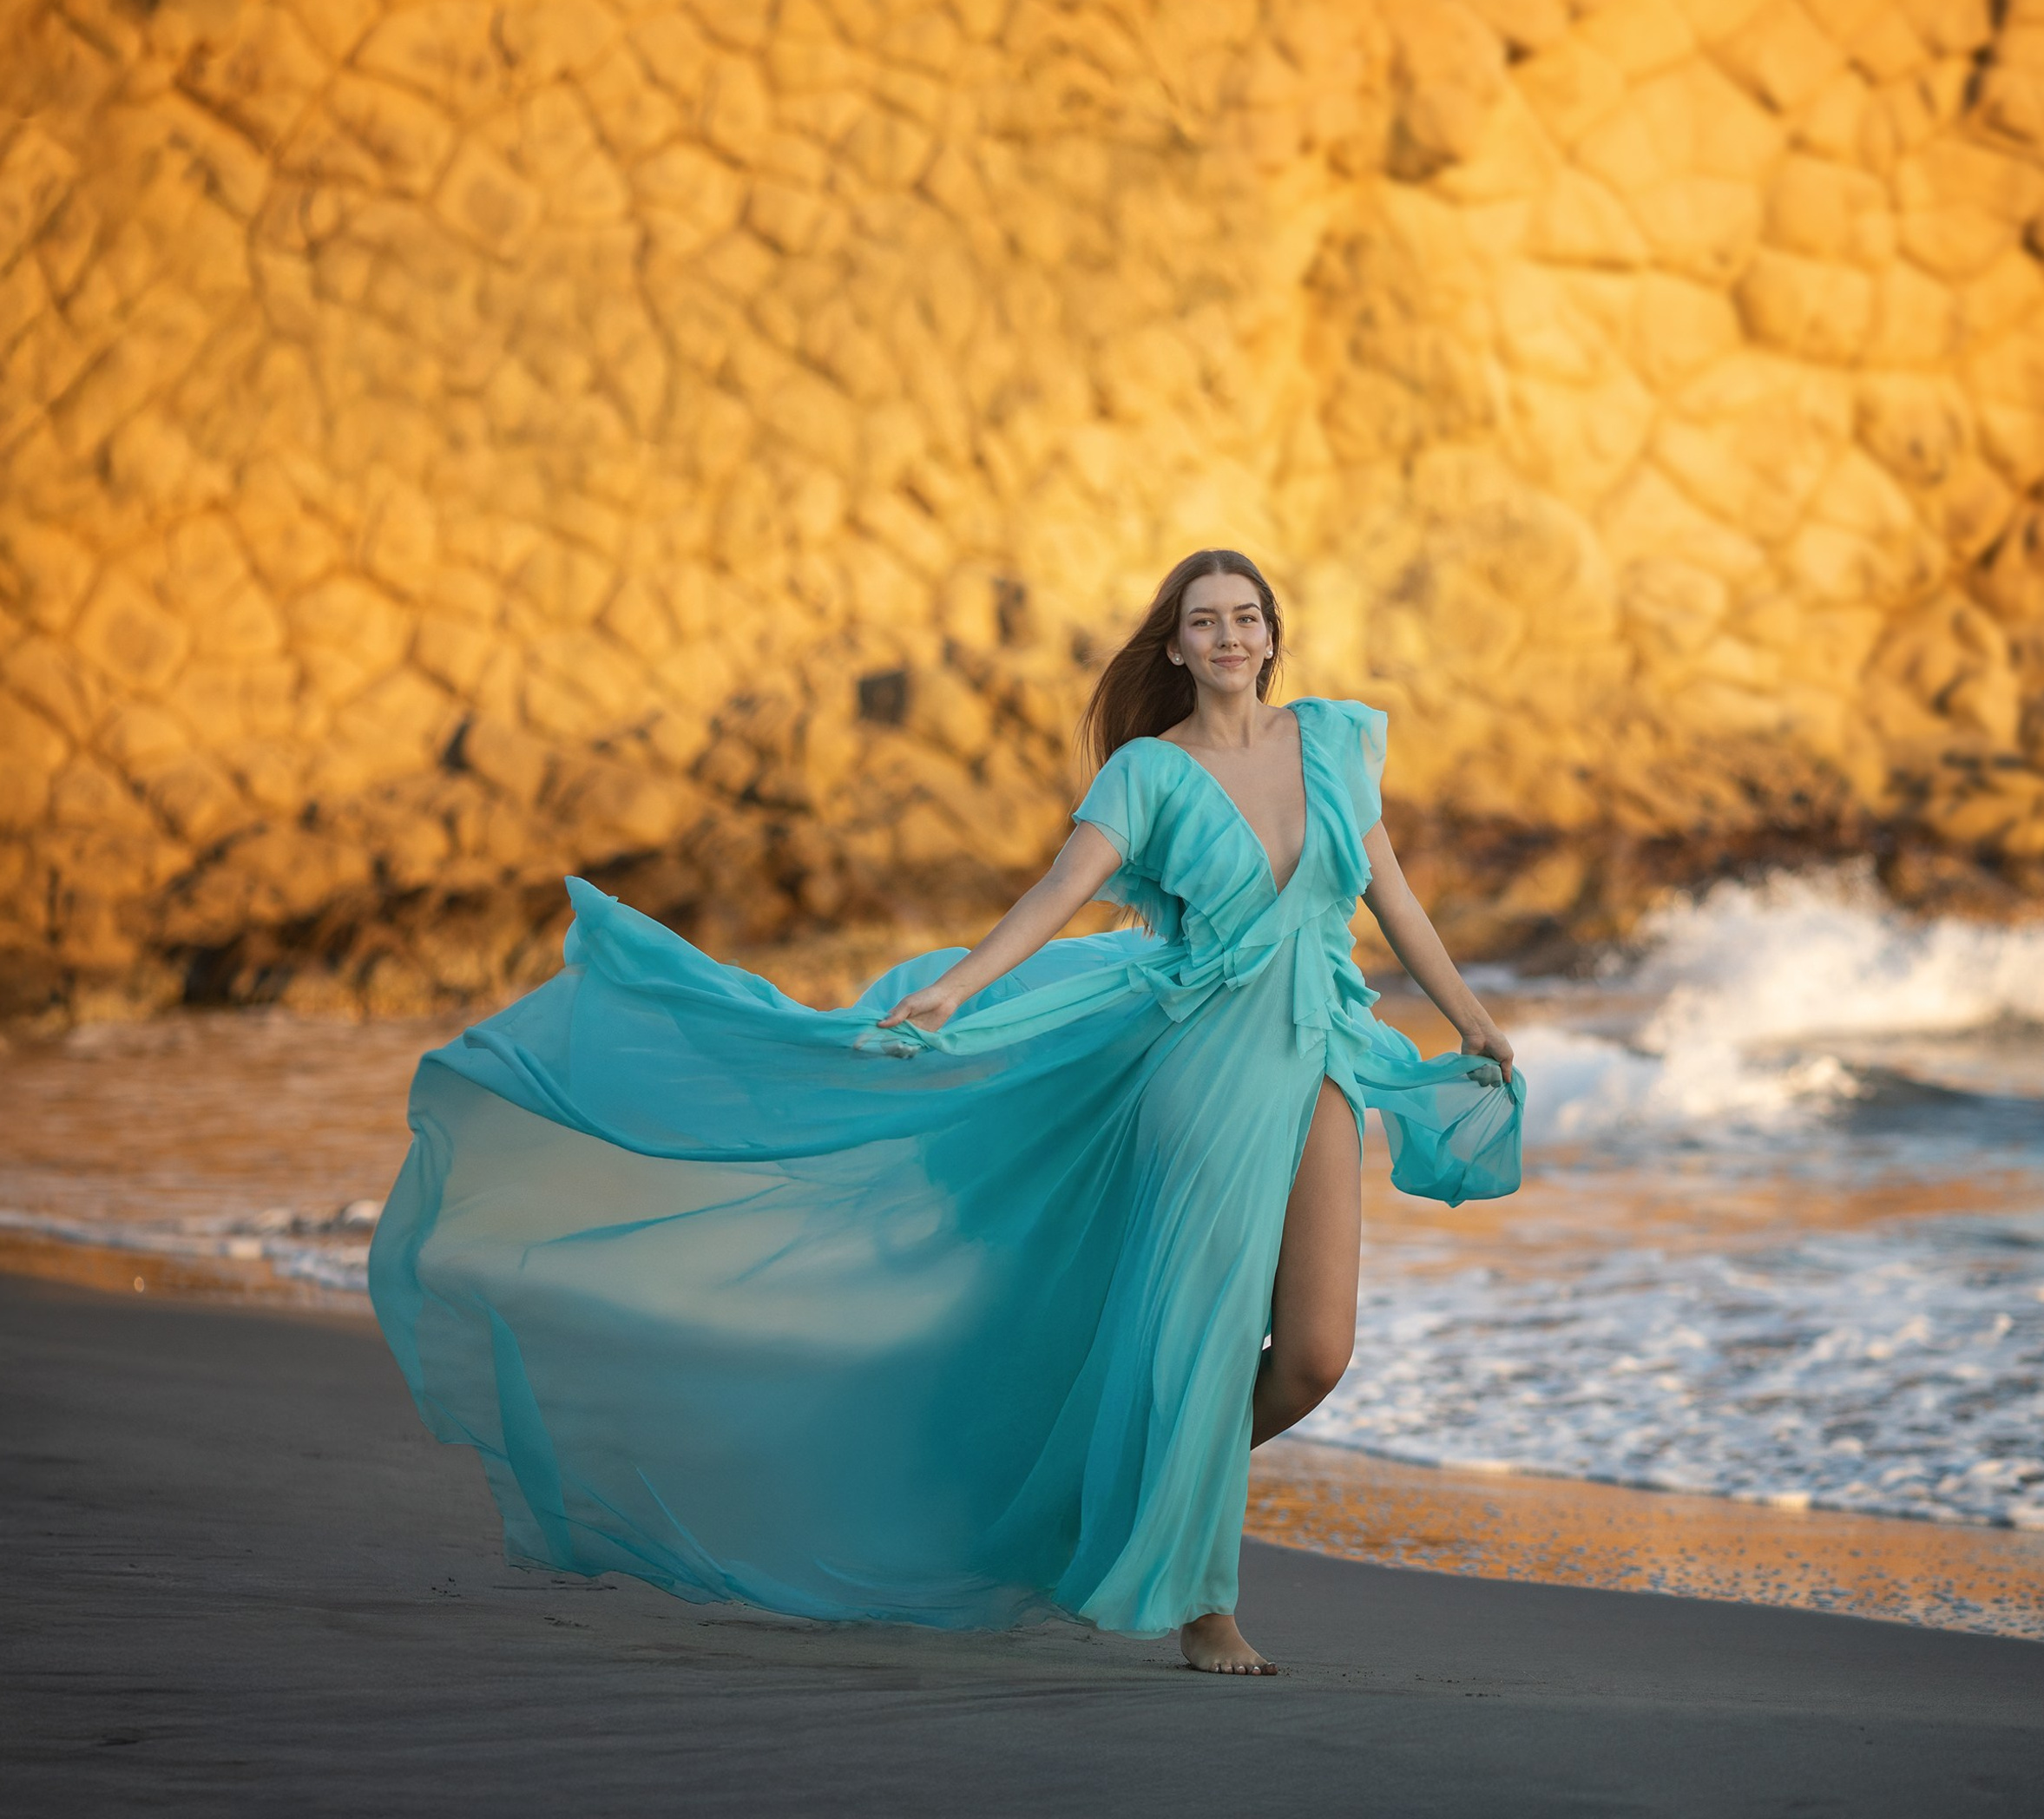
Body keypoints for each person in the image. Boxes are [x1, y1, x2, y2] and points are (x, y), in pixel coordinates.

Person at [371, 548, 1521, 1677]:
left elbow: (1393, 895)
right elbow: (1057, 893)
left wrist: (1468, 1017)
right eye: (1207, 620)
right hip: (1195, 1076)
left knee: (1314, 1354)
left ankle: (1091, 1496)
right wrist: (957, 989)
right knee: (1211, 1346)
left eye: (1248, 616)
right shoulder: (1149, 774)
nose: (1231, 636)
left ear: (1273, 635)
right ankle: (1204, 1606)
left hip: (1316, 1051)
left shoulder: (1332, 742)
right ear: (1173, 647)